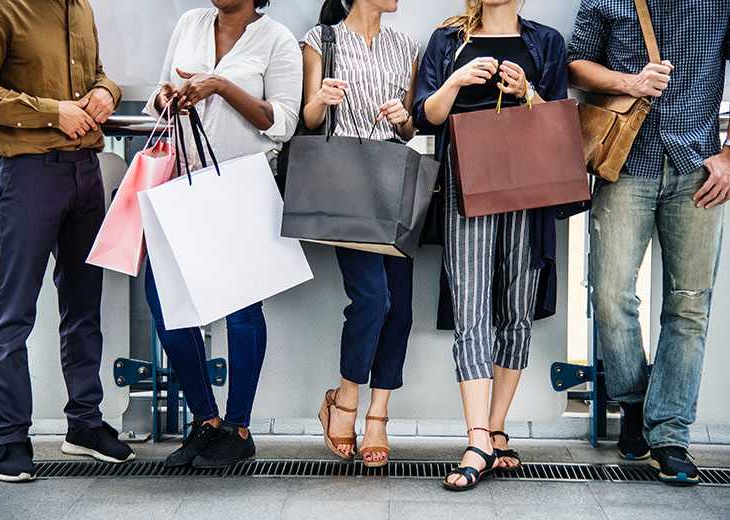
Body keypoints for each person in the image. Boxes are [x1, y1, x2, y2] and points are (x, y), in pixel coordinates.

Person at [569, 0, 729, 486]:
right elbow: (576, 62)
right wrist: (629, 83)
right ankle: (636, 404)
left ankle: (670, 436)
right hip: (624, 163)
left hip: (699, 166)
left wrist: (729, 154)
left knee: (689, 305)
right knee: (611, 294)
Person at [414, 0, 568, 490]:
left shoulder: (545, 42)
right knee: (472, 307)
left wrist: (527, 91)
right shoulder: (448, 40)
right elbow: (425, 117)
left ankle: (497, 429)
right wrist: (457, 81)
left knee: (517, 307)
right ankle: (477, 437)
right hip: (467, 181)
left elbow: (560, 120)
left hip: (530, 185)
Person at [142, 0, 302, 469]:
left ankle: (238, 428)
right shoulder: (190, 22)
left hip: (244, 187)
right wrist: (167, 97)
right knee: (165, 302)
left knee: (241, 312)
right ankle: (205, 421)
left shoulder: (277, 40)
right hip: (182, 184)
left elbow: (283, 123)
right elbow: (157, 91)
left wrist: (220, 85)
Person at [0, 0, 135, 482]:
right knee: (16, 311)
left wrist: (107, 93)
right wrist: (52, 114)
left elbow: (100, 74)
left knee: (84, 307)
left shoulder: (81, 7)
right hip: (28, 176)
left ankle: (84, 425)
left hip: (86, 175)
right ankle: (8, 437)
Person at [301, 0, 419, 467]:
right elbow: (309, 121)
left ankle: (379, 415)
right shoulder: (321, 40)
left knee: (402, 307)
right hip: (345, 183)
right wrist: (322, 100)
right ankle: (345, 396)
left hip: (393, 181)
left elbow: (411, 127)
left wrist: (401, 118)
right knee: (373, 299)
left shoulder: (405, 45)